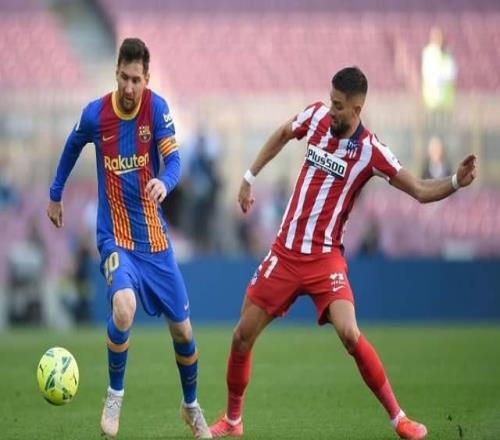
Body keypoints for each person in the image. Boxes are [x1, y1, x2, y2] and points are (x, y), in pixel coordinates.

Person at [209, 67, 477, 439]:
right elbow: (284, 133)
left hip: (325, 259)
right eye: (331, 101)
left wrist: (455, 182)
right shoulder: (316, 116)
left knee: (350, 333)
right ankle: (233, 421)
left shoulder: (371, 151)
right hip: (285, 252)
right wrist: (248, 178)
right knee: (242, 335)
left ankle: (399, 419)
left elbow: (418, 189)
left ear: (356, 109)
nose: (331, 110)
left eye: (338, 106)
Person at [47, 38, 211, 439]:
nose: (129, 87)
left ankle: (191, 406)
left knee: (183, 332)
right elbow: (72, 146)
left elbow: (174, 159)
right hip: (115, 238)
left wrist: (165, 182)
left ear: (147, 78)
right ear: (116, 72)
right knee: (124, 307)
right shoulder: (96, 114)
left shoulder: (156, 108)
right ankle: (114, 395)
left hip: (155, 242)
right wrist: (55, 193)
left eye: (136, 80)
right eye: (124, 77)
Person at [421, 26, 457, 113]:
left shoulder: (447, 53)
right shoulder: (428, 52)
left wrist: (443, 76)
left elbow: (451, 72)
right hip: (431, 100)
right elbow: (428, 73)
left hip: (446, 100)